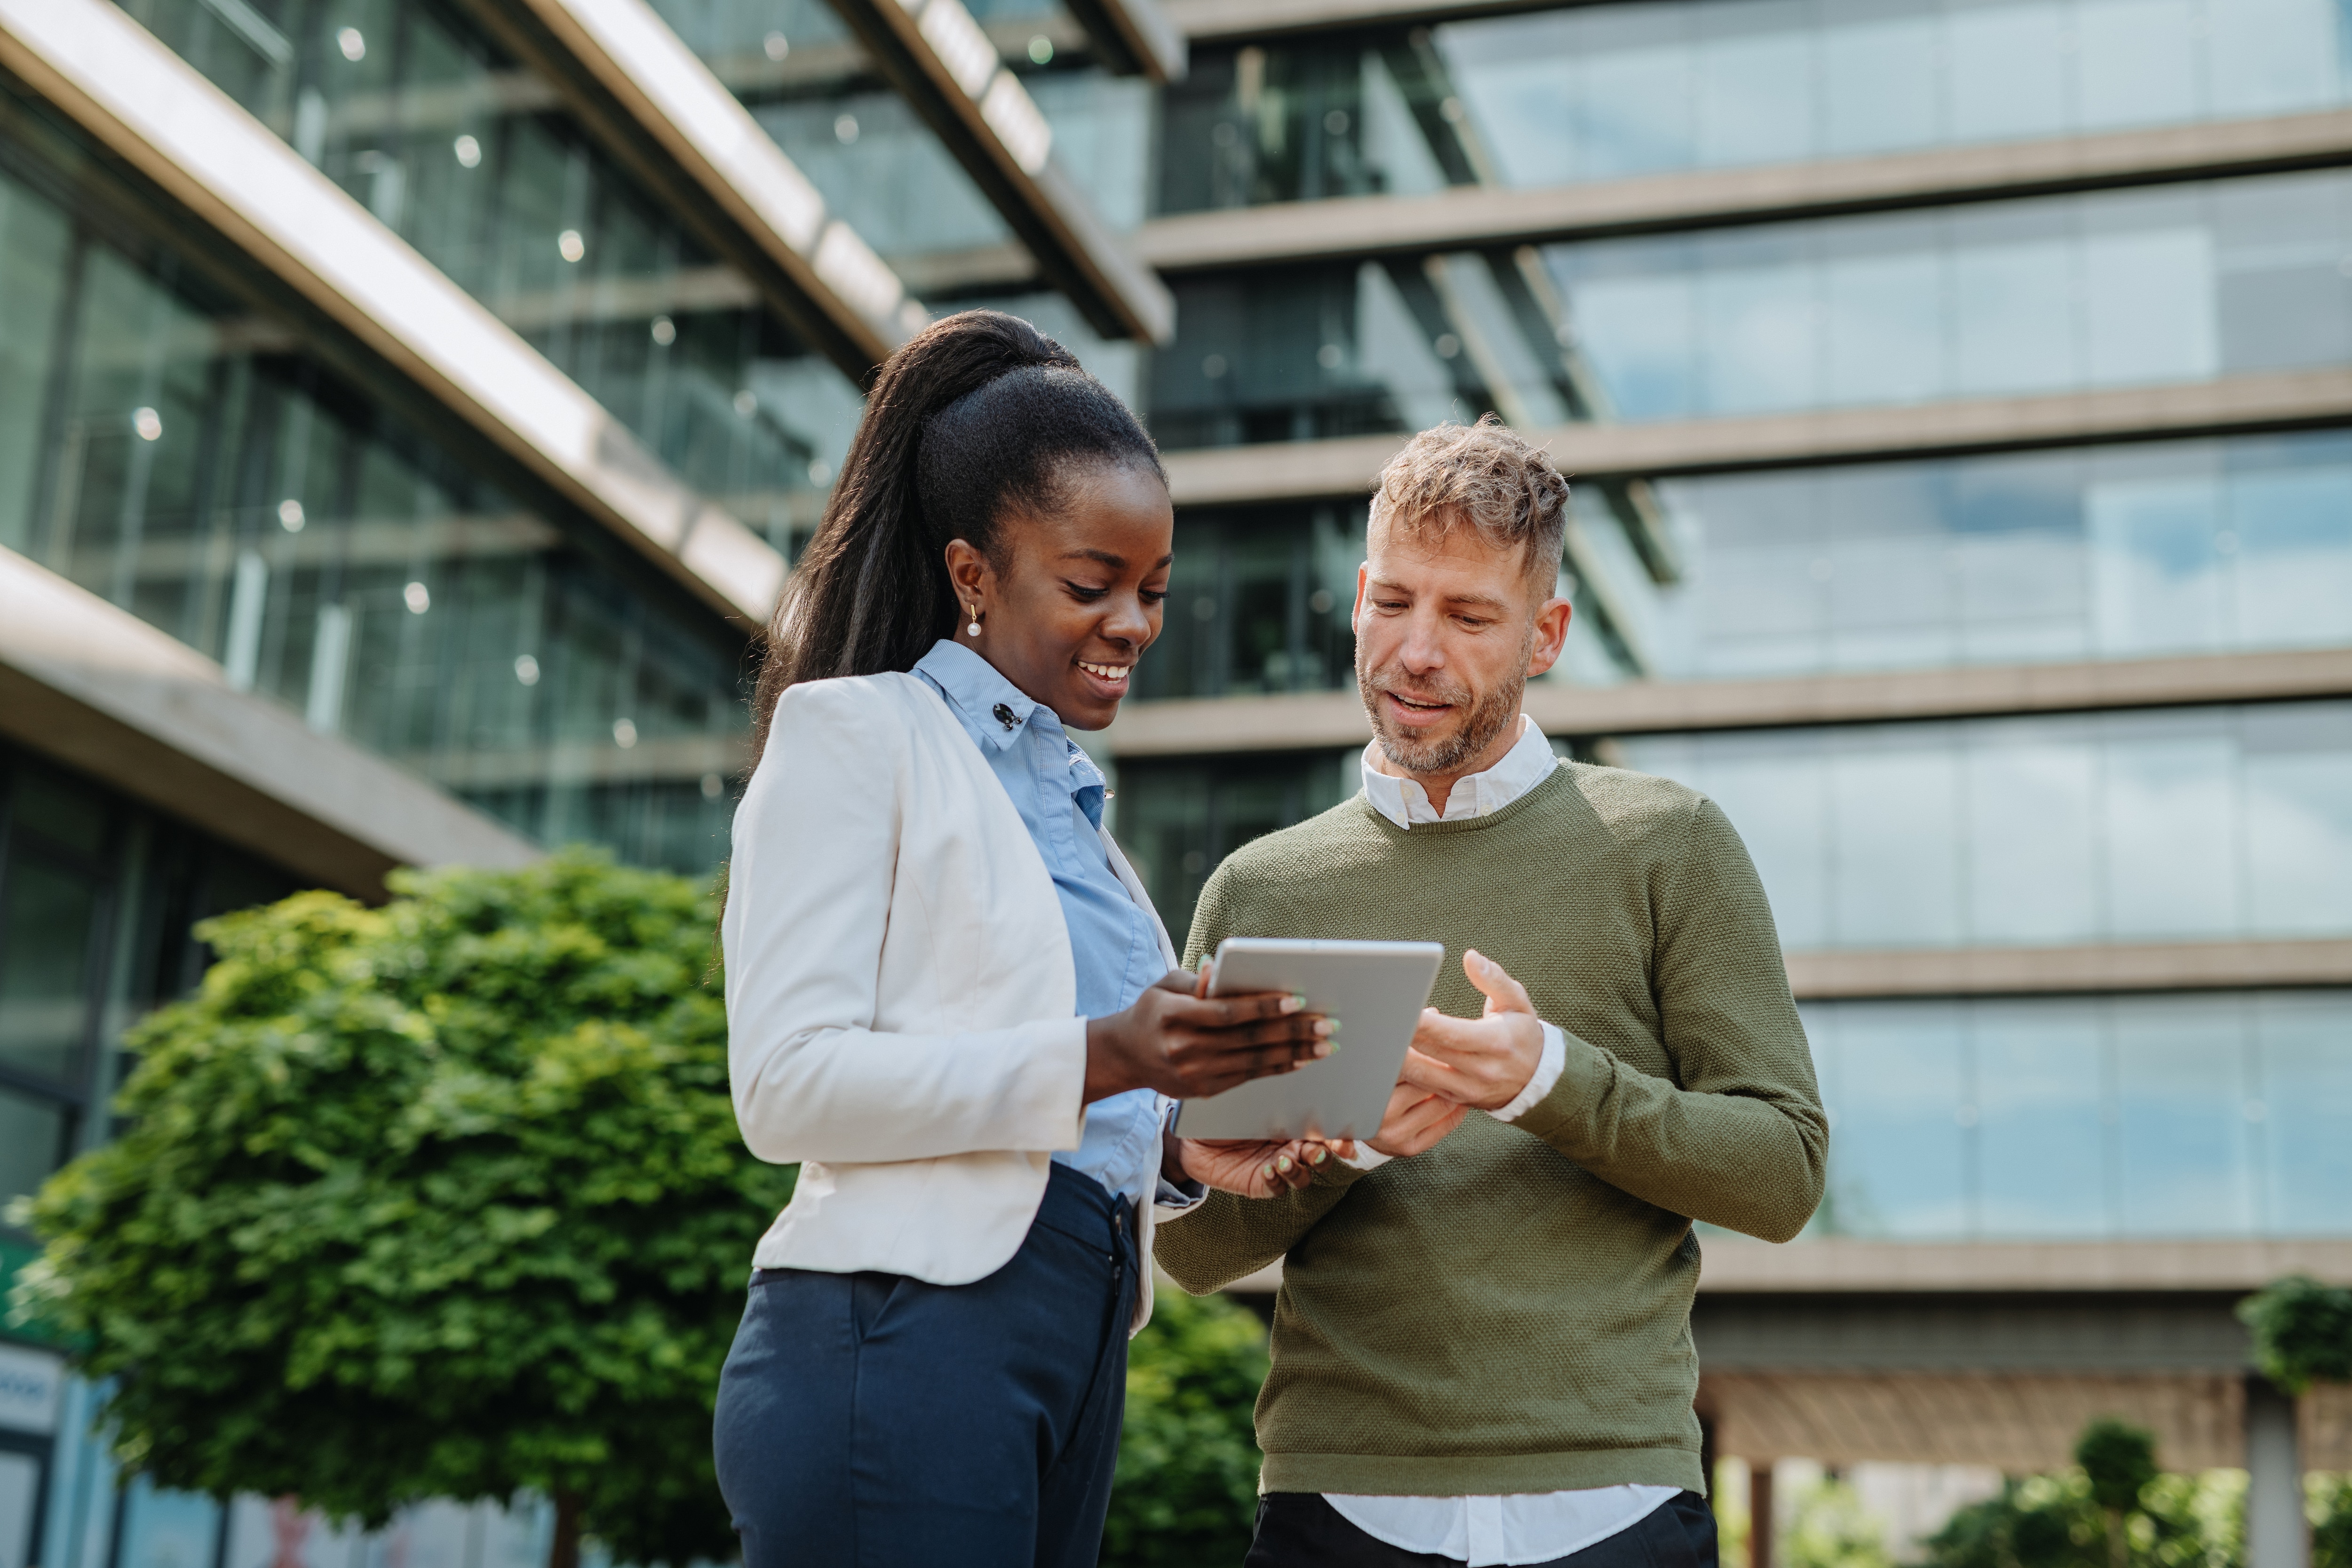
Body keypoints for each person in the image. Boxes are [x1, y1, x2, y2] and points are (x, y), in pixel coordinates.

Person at [715, 311, 1338, 1568]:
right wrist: (1111, 1051)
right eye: (1089, 582)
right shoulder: (858, 737)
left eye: (1153, 590)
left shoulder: (1081, 820)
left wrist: (1185, 1143)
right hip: (903, 1340)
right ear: (973, 574)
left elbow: (1066, 1103)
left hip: (1072, 1345)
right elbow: (785, 1088)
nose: (1133, 622)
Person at [1154, 416, 1830, 1568]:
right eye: (1394, 603)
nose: (1418, 650)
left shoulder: (1670, 843)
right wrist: (1345, 1145)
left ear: (1545, 634)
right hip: (1334, 1505)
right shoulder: (1258, 888)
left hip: (1611, 1499)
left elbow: (1781, 1172)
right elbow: (1196, 1248)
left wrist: (1553, 1083)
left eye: (1469, 616)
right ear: (1359, 595)